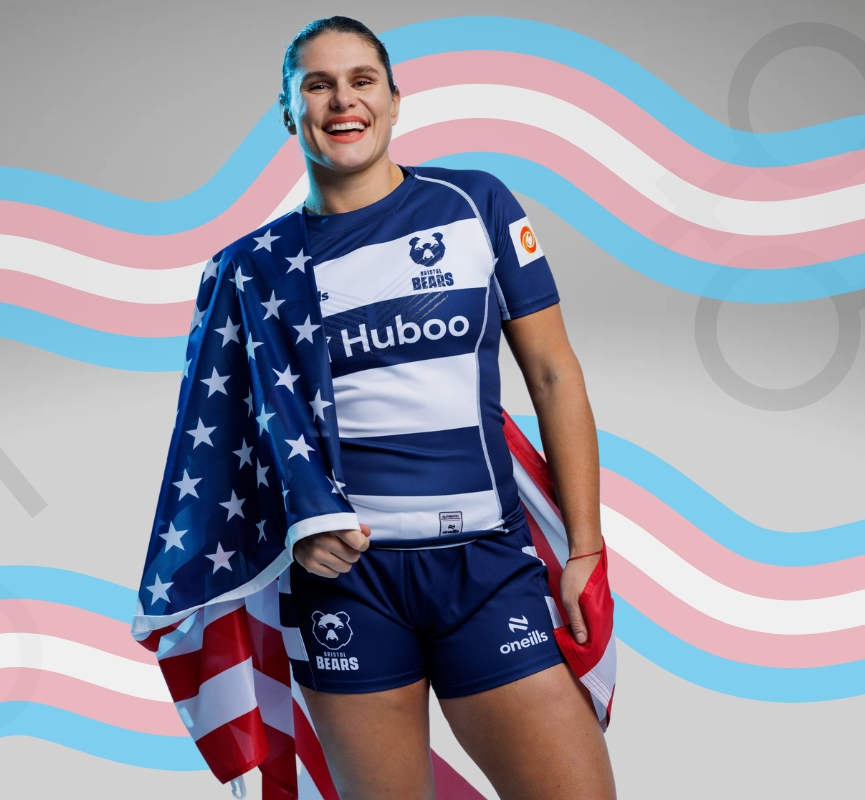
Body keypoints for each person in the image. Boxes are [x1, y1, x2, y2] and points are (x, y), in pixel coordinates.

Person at [262, 17, 616, 799]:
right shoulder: (258, 267)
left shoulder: (474, 202)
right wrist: (294, 524)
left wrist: (585, 548)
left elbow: (554, 374)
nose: (341, 101)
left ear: (394, 100)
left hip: (485, 567)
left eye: (361, 81)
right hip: (348, 584)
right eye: (316, 84)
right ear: (289, 110)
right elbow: (230, 444)